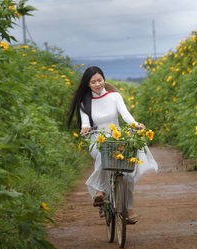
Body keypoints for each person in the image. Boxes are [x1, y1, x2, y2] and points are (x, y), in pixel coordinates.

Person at [67, 66, 158, 224]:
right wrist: (85, 128)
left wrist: (135, 124)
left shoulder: (114, 96)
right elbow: (86, 123)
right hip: (97, 139)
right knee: (103, 154)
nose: (97, 84)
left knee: (127, 174)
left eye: (99, 80)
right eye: (93, 82)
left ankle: (128, 208)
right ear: (87, 84)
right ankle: (101, 191)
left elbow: (125, 114)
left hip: (117, 137)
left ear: (104, 79)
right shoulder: (84, 103)